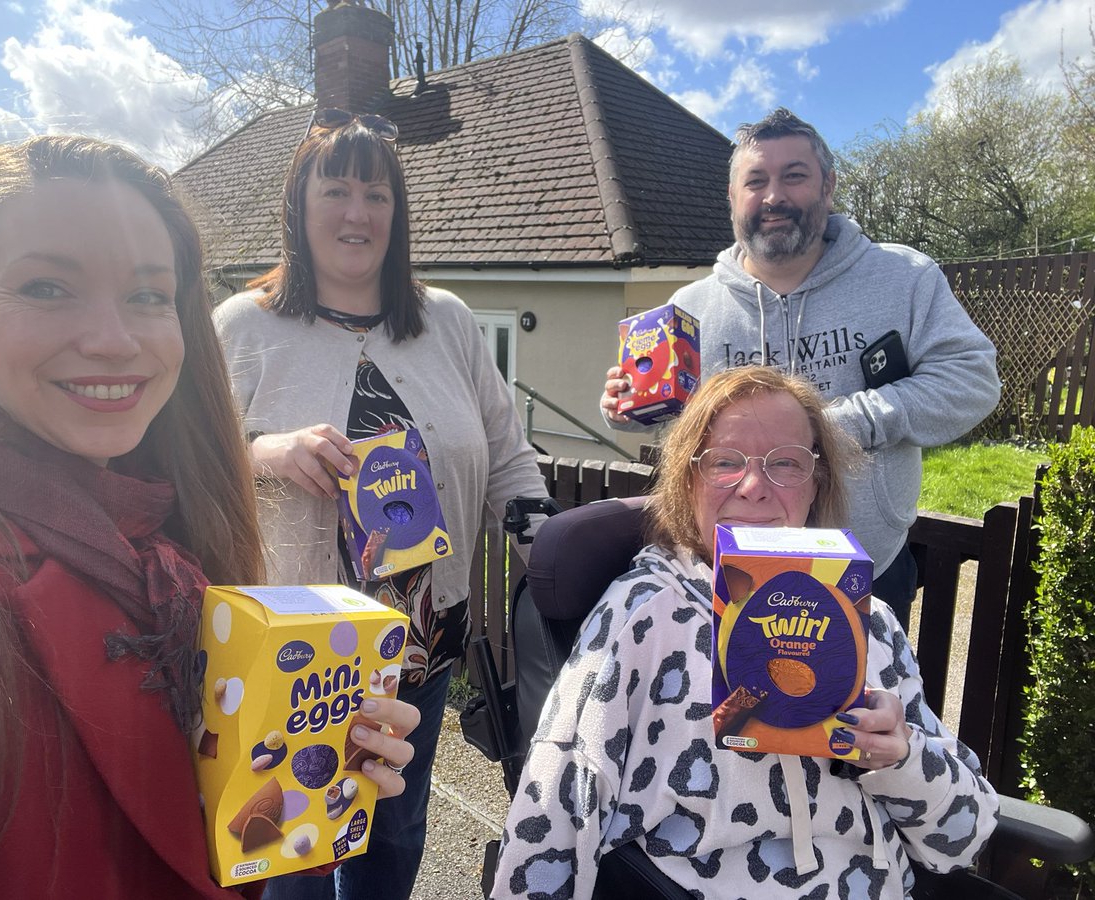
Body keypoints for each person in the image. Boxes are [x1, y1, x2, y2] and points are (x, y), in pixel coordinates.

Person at [0, 135, 418, 899]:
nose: (114, 341)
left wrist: (310, 785)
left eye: (148, 295)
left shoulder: (168, 536)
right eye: (46, 287)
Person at [213, 108, 549, 900]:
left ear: (397, 216)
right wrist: (267, 452)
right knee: (295, 844)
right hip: (300, 650)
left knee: (393, 827)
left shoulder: (449, 322)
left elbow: (506, 452)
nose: (357, 213)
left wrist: (557, 557)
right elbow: (185, 462)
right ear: (298, 207)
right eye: (336, 190)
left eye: (376, 195)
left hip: (424, 634)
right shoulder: (244, 327)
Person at [500, 366, 999, 899]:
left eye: (786, 463)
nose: (755, 487)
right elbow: (555, 801)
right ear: (687, 480)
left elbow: (963, 837)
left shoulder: (867, 619)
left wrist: (898, 757)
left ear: (818, 481)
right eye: (724, 463)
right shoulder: (645, 615)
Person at [601, 108, 1000, 629]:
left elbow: (973, 380)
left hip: (865, 565)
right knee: (731, 711)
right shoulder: (691, 308)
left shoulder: (902, 278)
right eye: (756, 181)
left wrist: (845, 425)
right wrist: (629, 408)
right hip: (728, 569)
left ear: (828, 186)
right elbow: (682, 421)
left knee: (857, 709)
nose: (774, 197)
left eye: (794, 176)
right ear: (732, 198)